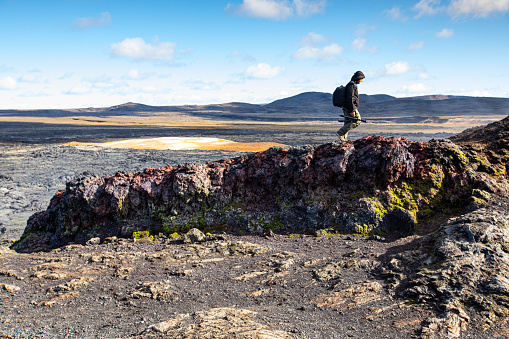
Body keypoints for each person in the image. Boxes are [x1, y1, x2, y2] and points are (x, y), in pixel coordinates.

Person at [336, 71, 365, 142]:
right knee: (357, 121)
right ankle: (341, 132)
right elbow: (350, 98)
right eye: (361, 79)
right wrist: (352, 110)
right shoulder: (351, 85)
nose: (361, 81)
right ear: (358, 78)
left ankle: (343, 140)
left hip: (347, 107)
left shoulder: (351, 85)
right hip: (350, 107)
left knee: (347, 122)